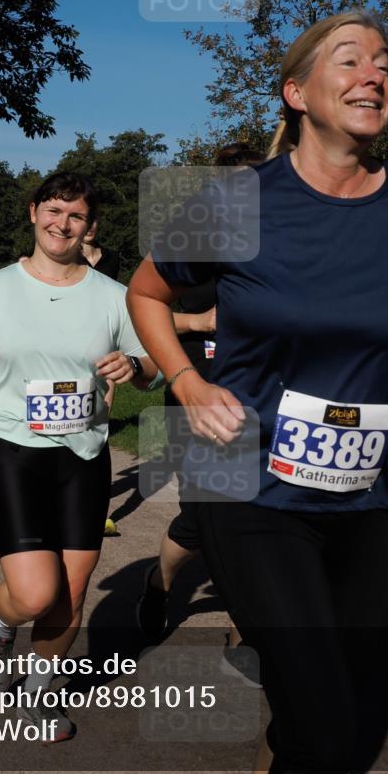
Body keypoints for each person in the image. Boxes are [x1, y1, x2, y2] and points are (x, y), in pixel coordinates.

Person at [127, 11, 388, 774]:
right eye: (350, 60)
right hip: (247, 481)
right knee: (328, 726)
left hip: (371, 493)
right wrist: (186, 382)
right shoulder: (236, 202)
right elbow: (147, 293)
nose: (374, 74)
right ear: (297, 92)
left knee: (335, 713)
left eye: (384, 63)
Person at [0, 172, 159, 742]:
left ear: (90, 226)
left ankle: (41, 693)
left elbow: (151, 368)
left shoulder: (114, 296)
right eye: (54, 210)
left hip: (82, 452)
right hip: (10, 447)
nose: (63, 224)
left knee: (75, 588)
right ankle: (0, 619)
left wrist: (133, 368)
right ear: (34, 212)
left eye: (77, 215)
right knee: (37, 591)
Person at [137, 144, 263, 655]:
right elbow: (143, 309)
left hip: (261, 412)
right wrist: (199, 321)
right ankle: (160, 582)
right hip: (196, 409)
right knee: (199, 524)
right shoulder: (189, 256)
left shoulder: (273, 258)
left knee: (257, 523)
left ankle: (246, 628)